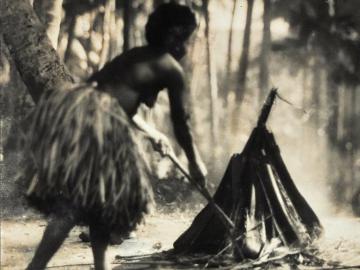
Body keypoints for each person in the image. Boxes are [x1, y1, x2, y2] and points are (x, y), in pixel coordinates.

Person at [24, 3, 206, 270]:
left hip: (79, 114)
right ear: (176, 34)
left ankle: (101, 266)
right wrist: (194, 160)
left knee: (101, 201)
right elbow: (180, 122)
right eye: (188, 36)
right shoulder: (170, 69)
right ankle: (35, 268)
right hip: (97, 123)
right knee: (74, 204)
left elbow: (113, 100)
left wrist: (153, 133)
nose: (187, 44)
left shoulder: (135, 55)